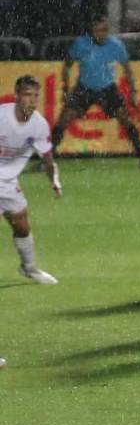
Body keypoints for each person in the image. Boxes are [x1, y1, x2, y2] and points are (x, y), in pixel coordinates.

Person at [51, 13, 140, 167]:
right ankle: (48, 158)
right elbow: (67, 66)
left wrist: (133, 92)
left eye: (105, 30)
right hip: (84, 88)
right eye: (98, 30)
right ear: (91, 31)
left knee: (125, 120)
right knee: (64, 119)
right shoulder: (81, 44)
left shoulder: (116, 45)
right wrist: (65, 88)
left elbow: (127, 69)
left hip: (107, 89)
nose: (102, 34)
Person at [0, 75, 61, 284]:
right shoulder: (2, 116)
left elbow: (47, 158)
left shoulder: (39, 125)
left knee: (22, 225)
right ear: (17, 95)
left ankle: (29, 268)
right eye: (27, 95)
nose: (32, 101)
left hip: (8, 183)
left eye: (36, 96)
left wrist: (54, 180)